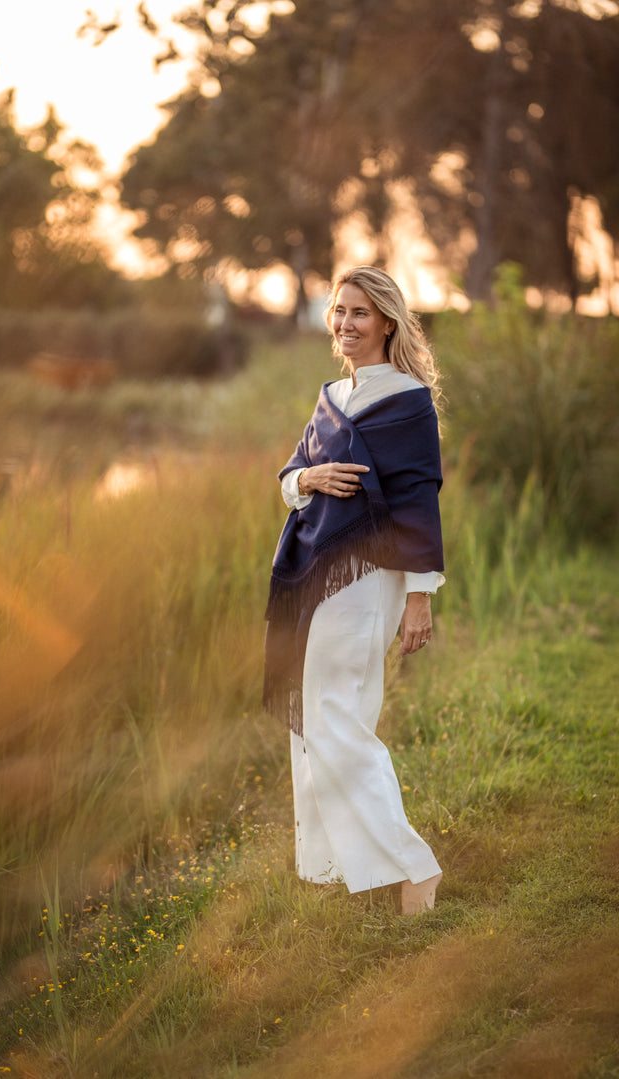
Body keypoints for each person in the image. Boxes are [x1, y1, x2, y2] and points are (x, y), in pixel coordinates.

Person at [263, 266, 444, 915]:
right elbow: (287, 479)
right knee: (319, 718)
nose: (344, 323)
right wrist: (312, 474)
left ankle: (413, 867)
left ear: (387, 321)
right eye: (339, 311)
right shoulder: (332, 394)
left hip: (368, 577)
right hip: (317, 574)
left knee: (335, 717)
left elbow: (420, 502)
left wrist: (420, 596)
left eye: (359, 313)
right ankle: (333, 863)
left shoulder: (407, 399)